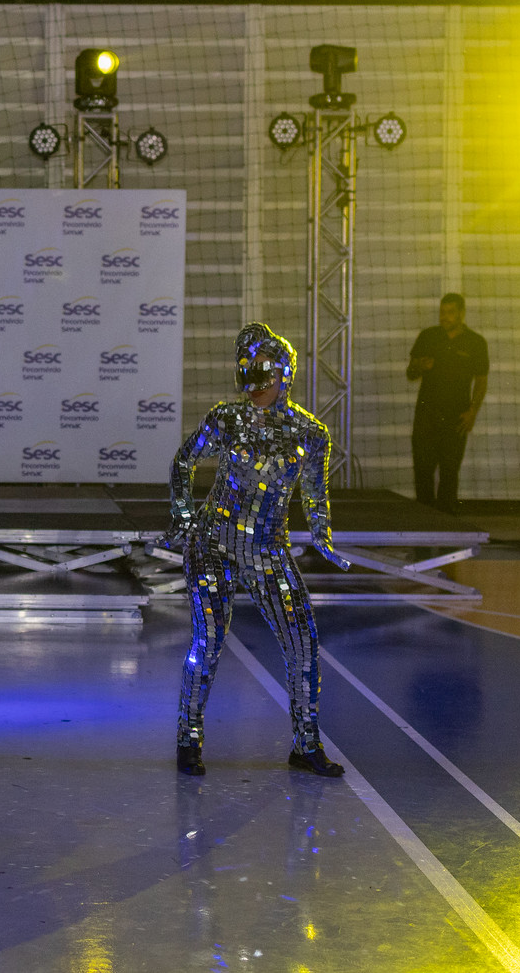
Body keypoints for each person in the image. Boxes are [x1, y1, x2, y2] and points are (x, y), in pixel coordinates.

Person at [166, 322, 348, 779]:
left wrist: (323, 537)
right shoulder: (227, 419)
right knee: (208, 642)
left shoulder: (311, 434)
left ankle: (306, 745)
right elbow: (184, 461)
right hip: (213, 544)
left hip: (268, 550)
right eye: (247, 376)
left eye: (264, 376)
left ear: (285, 376)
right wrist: (184, 515)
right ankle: (189, 740)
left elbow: (315, 493)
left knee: (304, 643)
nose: (255, 387)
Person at [407, 293, 488, 513]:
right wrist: (420, 366)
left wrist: (472, 412)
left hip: (456, 418)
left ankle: (447, 525)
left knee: (450, 473)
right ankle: (424, 523)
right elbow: (411, 373)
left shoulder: (476, 343)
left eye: (450, 312)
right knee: (423, 472)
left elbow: (481, 381)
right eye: (442, 312)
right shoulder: (428, 336)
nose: (445, 317)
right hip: (426, 416)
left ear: (461, 313)